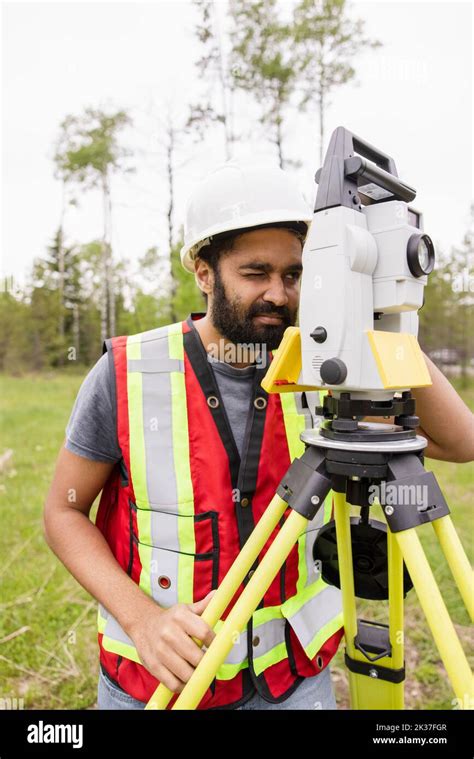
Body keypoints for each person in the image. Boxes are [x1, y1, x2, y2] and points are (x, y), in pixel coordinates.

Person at [44, 159, 474, 711]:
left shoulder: (324, 372)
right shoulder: (130, 372)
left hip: (291, 683)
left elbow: (460, 442)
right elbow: (64, 511)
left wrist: (376, 317)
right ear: (204, 272)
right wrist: (142, 619)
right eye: (255, 273)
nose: (277, 293)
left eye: (293, 274)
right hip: (160, 683)